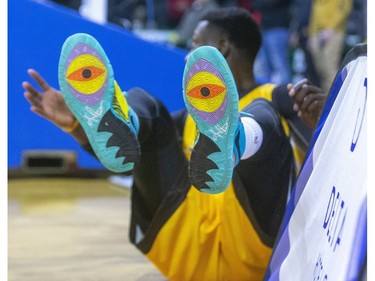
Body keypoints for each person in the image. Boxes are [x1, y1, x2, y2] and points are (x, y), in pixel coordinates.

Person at [23, 7, 326, 280]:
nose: (186, 53)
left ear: (222, 47)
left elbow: (333, 160)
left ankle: (236, 137)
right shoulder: (191, 118)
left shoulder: (282, 97)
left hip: (256, 245)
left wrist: (323, 119)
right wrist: (77, 126)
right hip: (188, 240)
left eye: (194, 43)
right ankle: (124, 118)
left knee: (263, 113)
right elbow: (129, 159)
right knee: (149, 108)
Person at [307, 0, 353, 93]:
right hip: (317, 32)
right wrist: (311, 34)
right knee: (321, 71)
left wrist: (331, 28)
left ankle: (336, 100)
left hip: (334, 31)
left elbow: (344, 9)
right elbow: (315, 12)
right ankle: (327, 100)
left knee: (330, 69)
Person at [252, 0, 293, 84]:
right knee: (263, 68)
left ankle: (285, 95)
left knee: (280, 65)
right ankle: (266, 96)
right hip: (262, 29)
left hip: (277, 27)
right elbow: (255, 5)